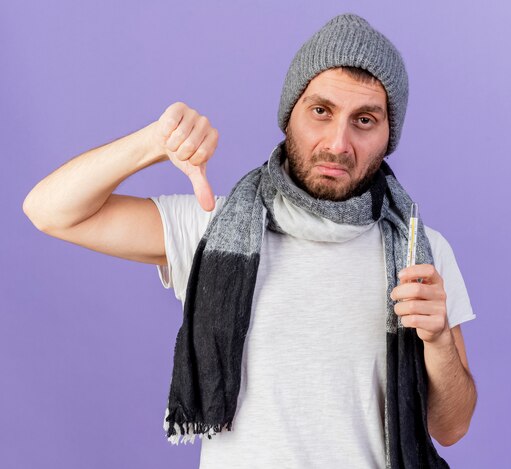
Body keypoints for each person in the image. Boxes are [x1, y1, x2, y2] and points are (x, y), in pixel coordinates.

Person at [23, 13, 477, 469]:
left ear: (387, 137)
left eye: (364, 120)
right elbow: (49, 210)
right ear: (289, 115)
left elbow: (450, 427)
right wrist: (153, 143)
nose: (338, 143)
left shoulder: (421, 251)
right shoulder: (213, 228)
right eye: (321, 111)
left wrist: (437, 340)